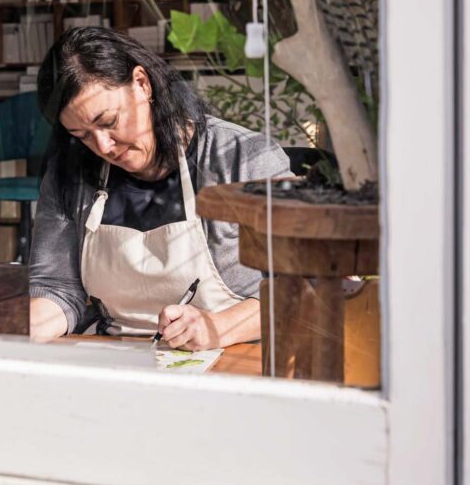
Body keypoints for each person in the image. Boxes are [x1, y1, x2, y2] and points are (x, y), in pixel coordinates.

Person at [29, 26, 291, 351]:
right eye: (82, 135)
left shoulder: (243, 159)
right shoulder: (70, 173)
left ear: (141, 84)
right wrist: (5, 329)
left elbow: (301, 290)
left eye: (109, 121)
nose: (103, 146)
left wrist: (217, 328)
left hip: (234, 357)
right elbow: (56, 289)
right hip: (119, 358)